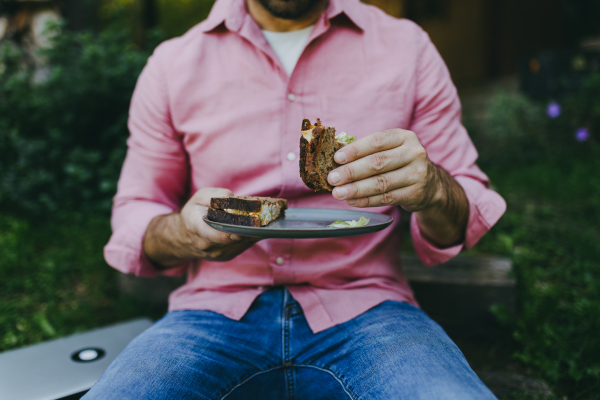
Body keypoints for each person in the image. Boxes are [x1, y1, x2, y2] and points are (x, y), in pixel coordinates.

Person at [83, 0, 506, 398]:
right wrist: (182, 232)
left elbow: (462, 213)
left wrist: (433, 187)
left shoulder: (407, 48)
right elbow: (136, 214)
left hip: (371, 309)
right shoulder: (173, 64)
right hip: (210, 314)